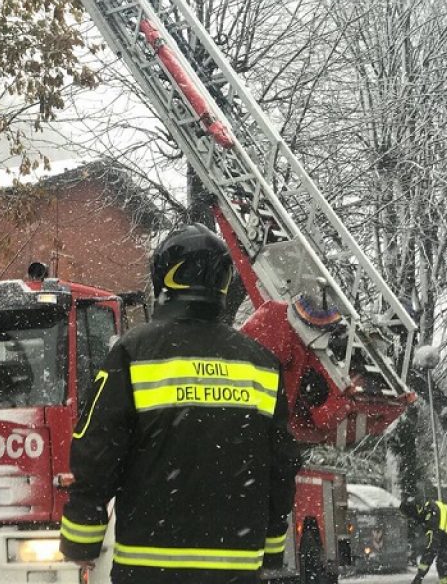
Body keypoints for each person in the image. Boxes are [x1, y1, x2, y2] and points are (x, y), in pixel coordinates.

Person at [59, 223, 304, 583]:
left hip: (148, 565)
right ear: (223, 283)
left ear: (164, 278)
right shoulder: (261, 364)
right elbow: (281, 465)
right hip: (234, 568)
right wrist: (271, 547)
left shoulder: (133, 352)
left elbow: (97, 450)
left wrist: (82, 538)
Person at [401, 498, 447, 584]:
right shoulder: (430, 507)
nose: (411, 522)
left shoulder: (431, 519)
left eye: (410, 518)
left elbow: (431, 549)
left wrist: (419, 577)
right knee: (443, 564)